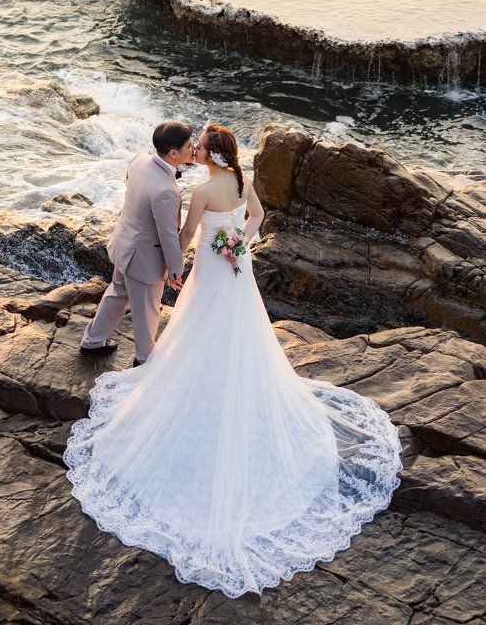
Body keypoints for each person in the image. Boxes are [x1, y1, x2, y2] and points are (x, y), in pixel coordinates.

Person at [65, 124, 402, 598]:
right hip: (236, 269)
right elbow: (257, 216)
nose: (196, 149)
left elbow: (185, 236)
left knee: (197, 324)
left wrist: (177, 264)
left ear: (211, 155)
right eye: (193, 145)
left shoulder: (202, 192)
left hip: (210, 268)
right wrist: (238, 243)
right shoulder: (244, 182)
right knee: (239, 329)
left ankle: (176, 376)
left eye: (201, 146)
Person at [79, 121, 195, 366]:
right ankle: (144, 360)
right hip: (144, 258)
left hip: (124, 244)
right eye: (188, 145)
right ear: (173, 153)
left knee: (116, 294)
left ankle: (92, 341)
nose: (193, 148)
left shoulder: (140, 160)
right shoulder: (165, 190)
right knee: (146, 310)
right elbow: (168, 235)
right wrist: (175, 270)